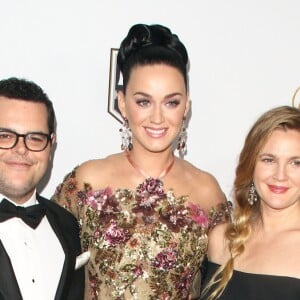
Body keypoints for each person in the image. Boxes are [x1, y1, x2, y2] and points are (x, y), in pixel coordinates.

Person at [52, 23, 231, 300]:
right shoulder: (87, 181)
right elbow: (42, 266)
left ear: (187, 106)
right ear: (122, 103)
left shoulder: (206, 190)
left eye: (171, 102)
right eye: (144, 102)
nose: (157, 118)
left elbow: (224, 288)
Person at [201, 105, 300, 300]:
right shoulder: (221, 240)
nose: (280, 175)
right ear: (251, 164)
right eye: (269, 160)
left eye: (296, 162)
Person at [0, 77, 85, 300]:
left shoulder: (68, 226)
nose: (21, 149)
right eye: (5, 136)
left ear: (51, 145)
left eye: (35, 138)